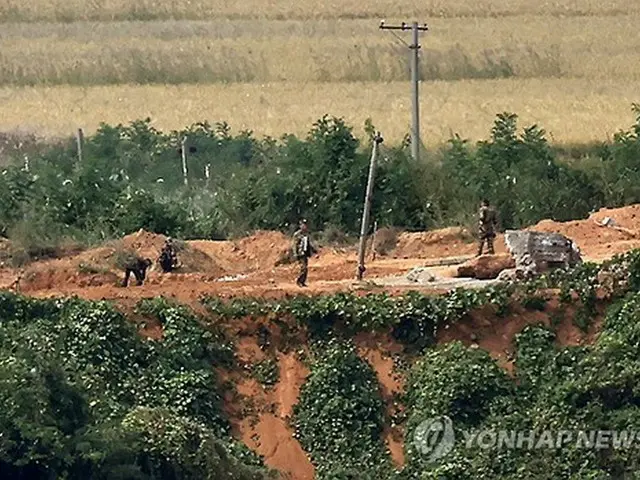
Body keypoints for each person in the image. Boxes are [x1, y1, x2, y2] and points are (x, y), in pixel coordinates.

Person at [292, 219, 317, 287]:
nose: (305, 226)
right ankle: (299, 281)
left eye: (305, 225)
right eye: (303, 225)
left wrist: (313, 250)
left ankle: (303, 281)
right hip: (300, 253)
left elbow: (308, 243)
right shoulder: (297, 234)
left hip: (305, 253)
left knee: (305, 268)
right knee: (303, 268)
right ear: (300, 226)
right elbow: (294, 244)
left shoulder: (306, 234)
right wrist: (295, 253)